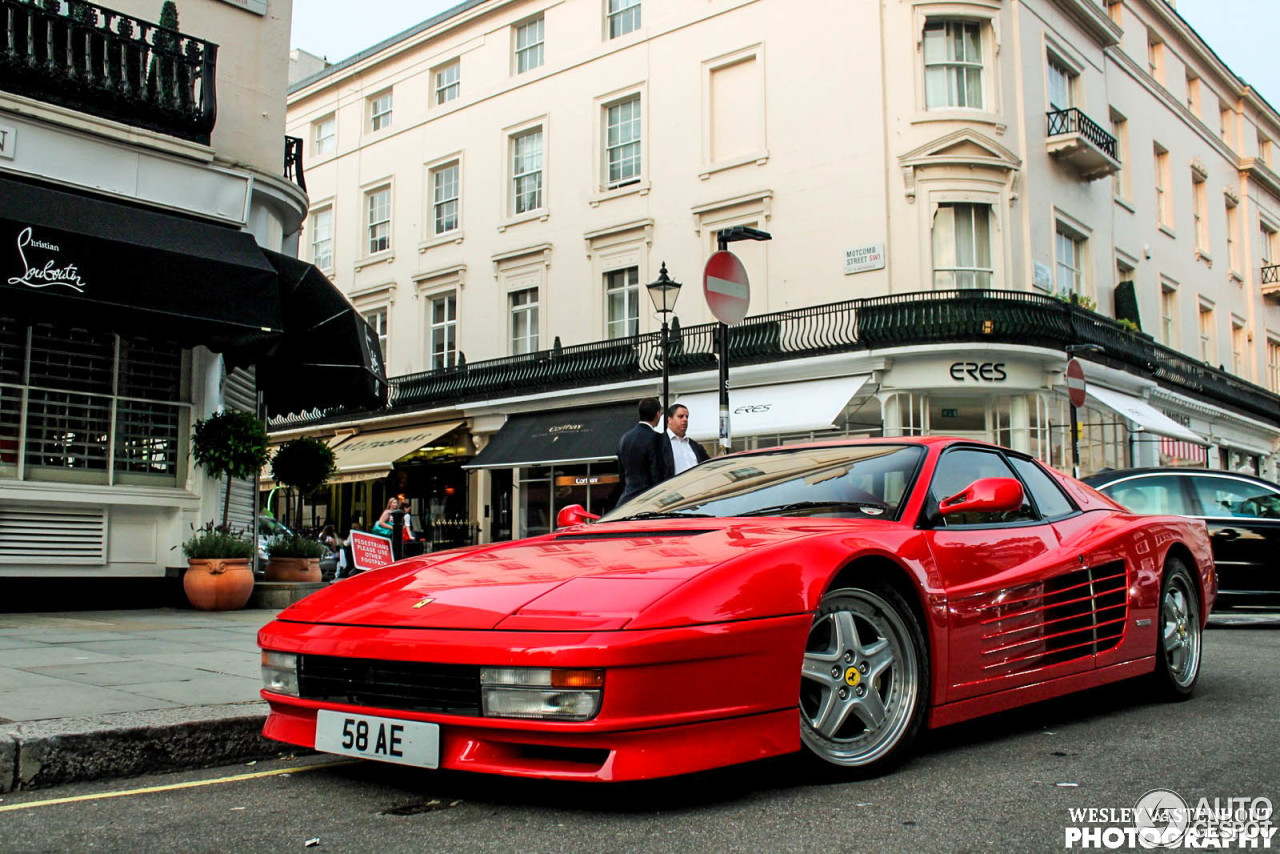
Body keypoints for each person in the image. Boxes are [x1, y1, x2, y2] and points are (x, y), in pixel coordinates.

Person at [615, 397, 664, 506]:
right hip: (648, 499)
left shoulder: (625, 438)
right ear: (657, 414)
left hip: (626, 500)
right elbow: (656, 472)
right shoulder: (656, 438)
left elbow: (621, 474)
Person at [659, 403, 709, 480]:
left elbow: (707, 466)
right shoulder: (659, 442)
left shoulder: (695, 446)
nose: (685, 419)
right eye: (680, 416)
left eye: (687, 417)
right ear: (670, 419)